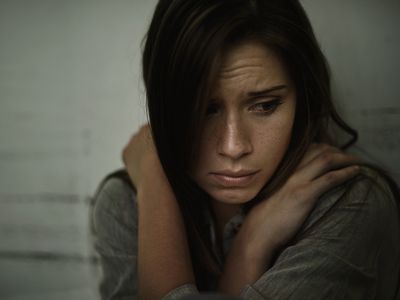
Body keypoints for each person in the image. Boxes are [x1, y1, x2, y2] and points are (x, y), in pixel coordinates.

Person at [92, 0, 400, 299]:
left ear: (302, 97)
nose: (234, 146)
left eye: (265, 105)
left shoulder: (346, 206)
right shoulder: (125, 204)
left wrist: (151, 175)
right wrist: (249, 249)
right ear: (163, 105)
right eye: (203, 110)